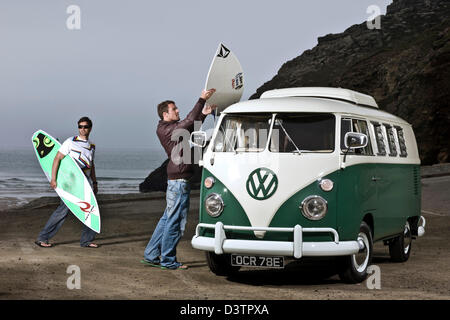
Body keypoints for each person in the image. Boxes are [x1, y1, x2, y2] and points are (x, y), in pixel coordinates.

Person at [142, 89, 216, 269]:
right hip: (179, 182)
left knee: (167, 219)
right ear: (165, 114)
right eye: (174, 109)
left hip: (175, 180)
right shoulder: (166, 130)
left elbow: (190, 126)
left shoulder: (170, 129)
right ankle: (168, 260)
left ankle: (151, 255)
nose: (177, 111)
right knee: (175, 222)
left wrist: (203, 115)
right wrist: (201, 100)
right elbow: (188, 122)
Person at [35, 117, 99, 248]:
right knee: (63, 211)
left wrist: (95, 182)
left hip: (85, 182)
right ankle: (43, 238)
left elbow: (91, 166)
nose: (82, 129)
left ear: (90, 128)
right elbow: (57, 159)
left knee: (90, 210)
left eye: (85, 127)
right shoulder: (70, 142)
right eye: (80, 126)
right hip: (71, 183)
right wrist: (53, 179)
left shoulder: (92, 146)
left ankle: (86, 240)